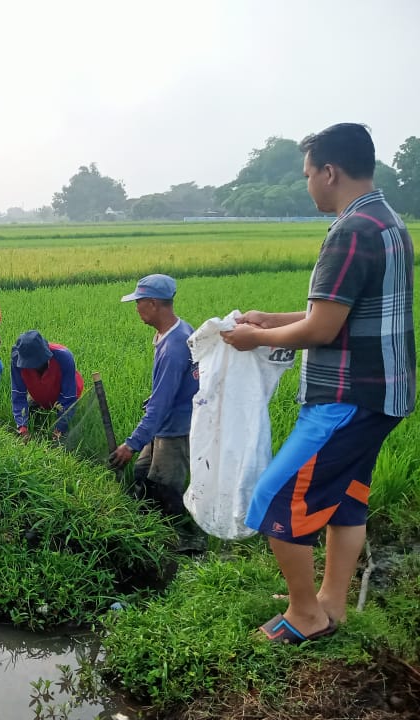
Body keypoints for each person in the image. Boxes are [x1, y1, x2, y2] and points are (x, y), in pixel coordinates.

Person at [221, 123, 415, 644]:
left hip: (347, 395)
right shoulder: (388, 221)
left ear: (329, 172)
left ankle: (305, 615)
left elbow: (322, 330)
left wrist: (254, 339)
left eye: (308, 174)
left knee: (276, 496)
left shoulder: (350, 231)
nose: (308, 183)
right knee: (346, 497)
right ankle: (331, 604)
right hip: (385, 394)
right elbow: (340, 311)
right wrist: (271, 319)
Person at [109, 274, 203, 549]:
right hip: (165, 423)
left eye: (138, 302)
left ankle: (188, 542)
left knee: (165, 490)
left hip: (175, 429)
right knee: (141, 474)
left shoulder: (174, 346)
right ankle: (147, 533)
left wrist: (131, 444)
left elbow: (162, 405)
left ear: (152, 303)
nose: (136, 308)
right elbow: (174, 388)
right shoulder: (175, 332)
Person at [11, 330, 84, 441]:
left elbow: (68, 396)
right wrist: (22, 427)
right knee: (33, 415)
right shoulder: (17, 359)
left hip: (66, 390)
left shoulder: (63, 356)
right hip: (39, 390)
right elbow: (18, 393)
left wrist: (60, 428)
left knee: (67, 431)